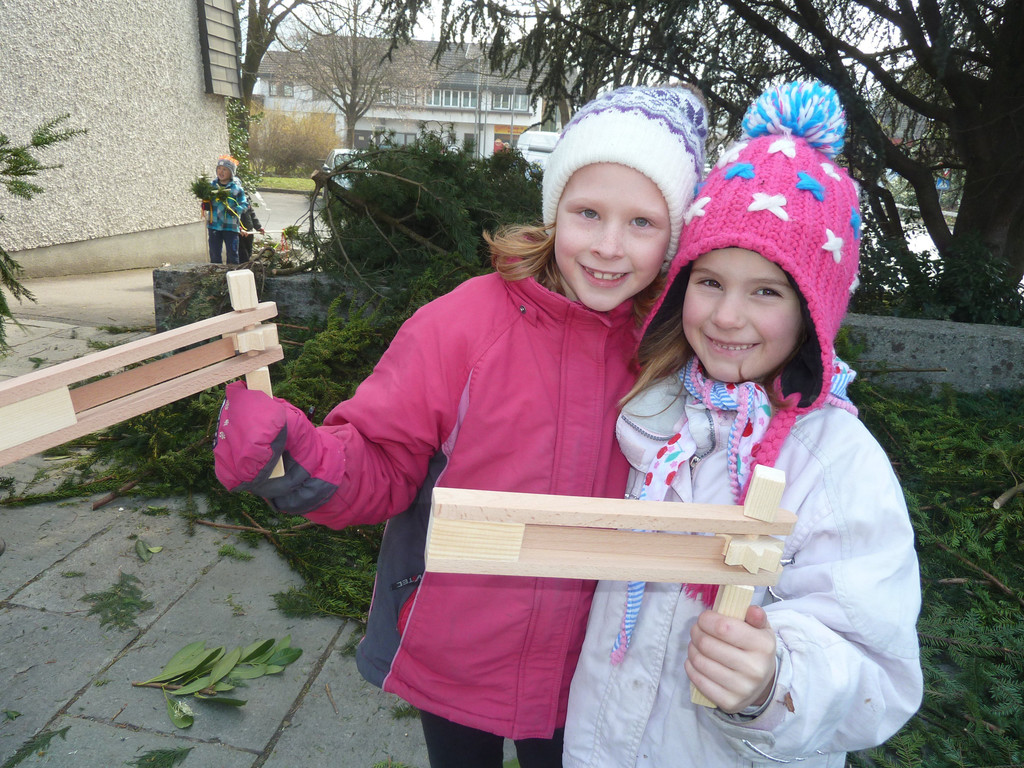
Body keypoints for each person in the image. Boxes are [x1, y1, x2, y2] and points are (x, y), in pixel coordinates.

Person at [211, 84, 709, 768]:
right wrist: (296, 459)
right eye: (588, 212)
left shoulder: (671, 354)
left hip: (590, 670)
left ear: (674, 239)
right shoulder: (462, 325)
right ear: (555, 211)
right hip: (454, 652)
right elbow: (381, 458)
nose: (608, 246)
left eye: (643, 223)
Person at [563, 81, 923, 767]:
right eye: (710, 282)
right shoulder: (650, 417)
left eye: (765, 291)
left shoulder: (837, 466)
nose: (728, 317)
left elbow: (878, 673)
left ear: (813, 310)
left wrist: (772, 683)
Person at [205, 155, 248, 265]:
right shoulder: (211, 186)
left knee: (232, 253)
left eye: (224, 169)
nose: (221, 171)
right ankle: (216, 273)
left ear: (231, 173)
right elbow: (206, 200)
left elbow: (244, 204)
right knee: (214, 253)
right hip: (214, 225)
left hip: (230, 226)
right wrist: (205, 204)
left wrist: (236, 210)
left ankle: (232, 272)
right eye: (219, 168)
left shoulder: (236, 188)